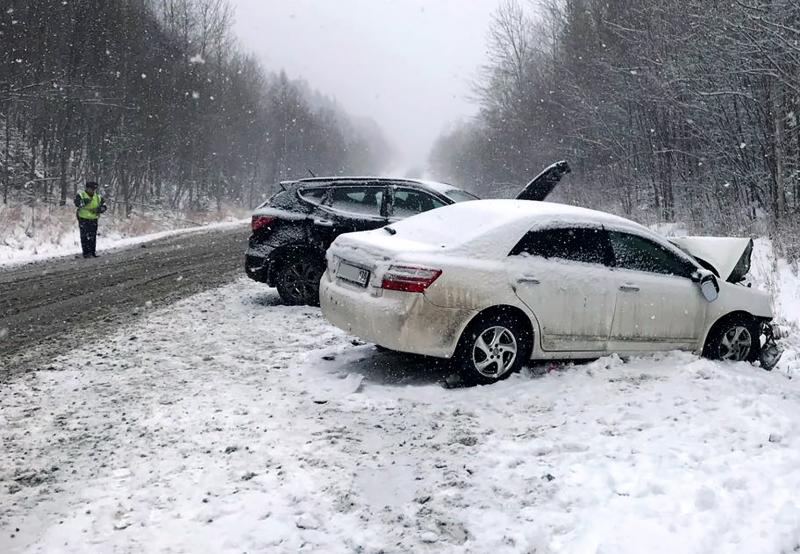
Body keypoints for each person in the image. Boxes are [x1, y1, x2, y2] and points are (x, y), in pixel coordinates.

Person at [74, 181, 107, 258]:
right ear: (87, 188)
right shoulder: (81, 195)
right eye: (91, 189)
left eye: (94, 189)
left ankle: (92, 252)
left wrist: (100, 209)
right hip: (83, 219)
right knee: (84, 236)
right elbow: (77, 203)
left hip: (94, 219)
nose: (93, 191)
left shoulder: (98, 197)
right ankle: (86, 253)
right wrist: (84, 202)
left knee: (93, 236)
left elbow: (104, 207)